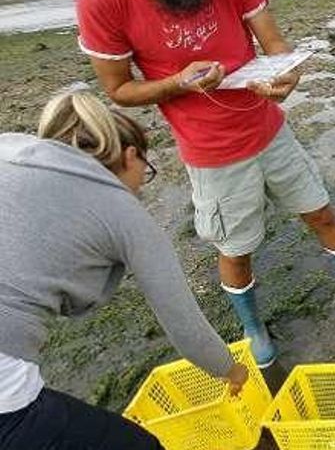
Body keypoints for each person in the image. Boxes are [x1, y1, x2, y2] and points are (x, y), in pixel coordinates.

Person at [75, 0, 335, 369]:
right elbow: (118, 88)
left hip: (268, 128)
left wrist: (286, 73)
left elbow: (274, 43)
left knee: (320, 212)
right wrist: (179, 82)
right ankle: (253, 326)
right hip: (210, 151)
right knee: (236, 249)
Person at [0, 91, 248, 450]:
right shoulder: (120, 208)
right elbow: (188, 331)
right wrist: (232, 370)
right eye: (145, 172)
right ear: (131, 156)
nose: (140, 185)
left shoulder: (8, 147)